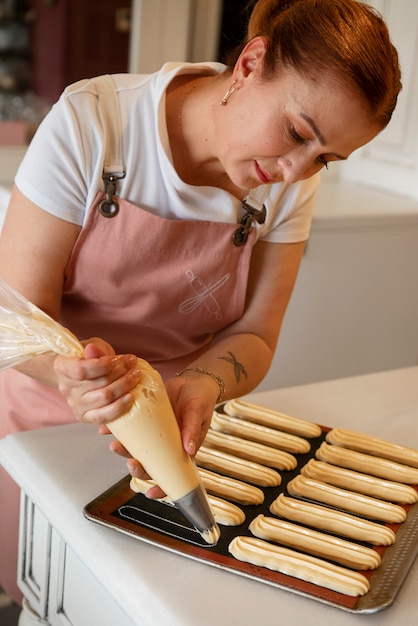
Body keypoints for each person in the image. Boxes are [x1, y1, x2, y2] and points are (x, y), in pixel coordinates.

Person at [0, 0, 401, 608]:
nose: (294, 171)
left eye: (324, 159)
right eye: (297, 133)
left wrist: (202, 385)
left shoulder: (288, 185)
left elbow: (257, 335)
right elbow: (17, 321)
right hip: (46, 416)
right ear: (251, 62)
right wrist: (72, 376)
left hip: (177, 434)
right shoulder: (95, 123)